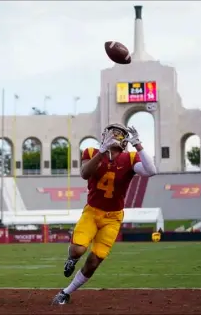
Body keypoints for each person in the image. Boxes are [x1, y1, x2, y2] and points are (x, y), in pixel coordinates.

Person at [52, 124, 157, 305]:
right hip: (92, 212)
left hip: (113, 217)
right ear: (104, 136)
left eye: (120, 133)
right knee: (78, 249)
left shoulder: (131, 157)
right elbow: (85, 174)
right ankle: (71, 259)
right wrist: (101, 152)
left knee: (94, 261)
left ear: (125, 140)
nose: (115, 134)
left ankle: (65, 292)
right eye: (112, 131)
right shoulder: (91, 152)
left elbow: (152, 171)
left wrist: (139, 145)